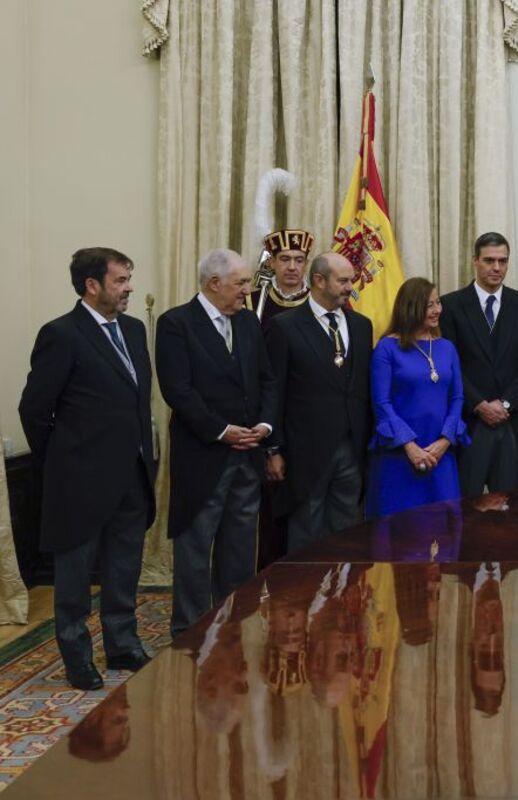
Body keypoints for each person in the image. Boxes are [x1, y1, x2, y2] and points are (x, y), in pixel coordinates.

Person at [19, 247, 157, 690]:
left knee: (124, 569)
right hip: (79, 481)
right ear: (92, 285)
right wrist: (62, 461)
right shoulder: (61, 334)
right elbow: (35, 410)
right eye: (121, 280)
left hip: (132, 477)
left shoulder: (134, 330)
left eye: (129, 279)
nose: (129, 287)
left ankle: (123, 645)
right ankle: (77, 657)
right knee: (75, 577)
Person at [157, 248, 278, 638]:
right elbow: (178, 390)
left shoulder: (246, 322)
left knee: (240, 547)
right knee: (195, 548)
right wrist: (221, 430)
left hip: (248, 454)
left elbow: (266, 380)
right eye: (241, 283)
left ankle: (232, 625)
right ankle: (190, 633)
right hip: (203, 455)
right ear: (214, 283)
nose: (248, 290)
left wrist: (263, 424)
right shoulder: (177, 323)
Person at [264, 252, 373, 554]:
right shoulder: (285, 326)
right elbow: (275, 390)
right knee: (306, 537)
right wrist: (273, 449)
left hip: (351, 449)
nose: (350, 286)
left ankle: (341, 599)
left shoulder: (362, 326)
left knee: (347, 534)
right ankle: (305, 600)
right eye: (343, 280)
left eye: (351, 280)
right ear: (318, 280)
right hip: (305, 454)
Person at [439, 232, 518, 497]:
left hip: (511, 419)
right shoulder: (451, 305)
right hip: (468, 418)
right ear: (475, 261)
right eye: (489, 260)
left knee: (508, 509)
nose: (497, 268)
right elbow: (449, 364)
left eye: (503, 261)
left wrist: (506, 404)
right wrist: (479, 404)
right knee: (466, 504)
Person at [365, 277, 469, 515]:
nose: (437, 310)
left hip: (440, 455)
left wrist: (443, 443)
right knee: (399, 531)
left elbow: (457, 399)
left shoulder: (447, 347)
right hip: (398, 456)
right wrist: (410, 447)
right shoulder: (387, 348)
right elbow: (382, 403)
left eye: (438, 303)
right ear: (411, 307)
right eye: (430, 305)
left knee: (443, 528)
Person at [247, 227, 314, 325]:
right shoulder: (251, 302)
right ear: (272, 263)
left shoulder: (318, 302)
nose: (292, 267)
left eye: (299, 260)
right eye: (285, 259)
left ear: (306, 264)